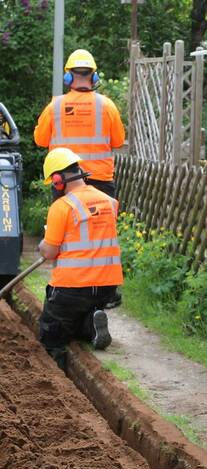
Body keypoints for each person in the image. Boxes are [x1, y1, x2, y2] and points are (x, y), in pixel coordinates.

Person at [38, 148, 123, 372]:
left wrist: (43, 243)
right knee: (74, 320)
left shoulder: (61, 207)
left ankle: (58, 380)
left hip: (71, 289)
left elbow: (49, 252)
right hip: (107, 287)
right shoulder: (109, 202)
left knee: (52, 334)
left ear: (58, 180)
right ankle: (91, 325)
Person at [34, 49, 125, 199]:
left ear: (68, 76)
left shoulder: (54, 107)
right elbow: (119, 141)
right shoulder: (107, 106)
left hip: (65, 181)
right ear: (94, 76)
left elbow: (40, 140)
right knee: (101, 222)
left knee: (65, 221)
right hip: (100, 181)